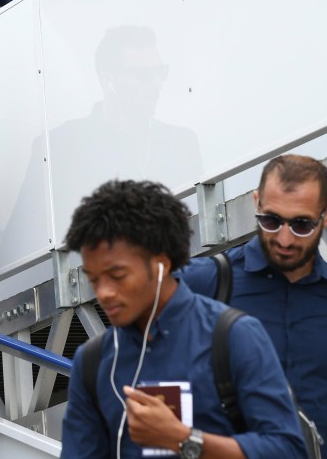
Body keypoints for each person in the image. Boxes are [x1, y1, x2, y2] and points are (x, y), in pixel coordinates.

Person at [61, 179, 306, 458]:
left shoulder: (235, 336)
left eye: (117, 276)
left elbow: (288, 450)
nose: (103, 293)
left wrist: (184, 440)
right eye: (94, 280)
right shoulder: (92, 361)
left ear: (161, 263)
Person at [180, 155, 327, 459]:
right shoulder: (203, 281)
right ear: (256, 203)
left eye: (301, 224)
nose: (284, 238)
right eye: (270, 220)